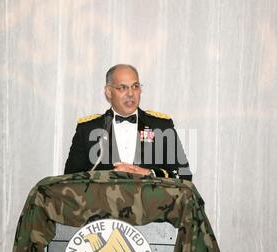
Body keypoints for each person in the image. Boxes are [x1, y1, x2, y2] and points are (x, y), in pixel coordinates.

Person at [64, 64, 192, 181]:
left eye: (135, 87)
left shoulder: (161, 126)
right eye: (122, 88)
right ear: (108, 92)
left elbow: (184, 175)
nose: (130, 94)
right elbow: (70, 179)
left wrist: (149, 173)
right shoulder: (88, 129)